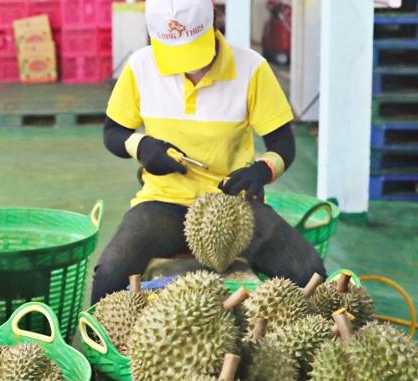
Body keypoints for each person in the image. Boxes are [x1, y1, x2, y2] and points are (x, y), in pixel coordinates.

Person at [91, 0, 326, 303]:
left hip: (233, 205)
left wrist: (261, 170)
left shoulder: (251, 68)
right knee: (110, 272)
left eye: (193, 51)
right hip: (163, 202)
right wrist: (142, 146)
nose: (188, 66)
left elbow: (283, 143)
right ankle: (99, 350)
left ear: (214, 19)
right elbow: (113, 132)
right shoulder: (141, 66)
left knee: (309, 271)